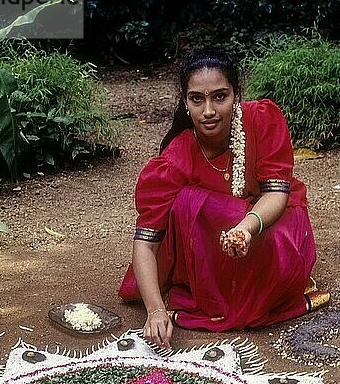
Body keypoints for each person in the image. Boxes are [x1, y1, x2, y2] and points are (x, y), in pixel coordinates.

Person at [119, 48, 329, 348]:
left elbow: (276, 194)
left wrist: (246, 227)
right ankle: (223, 292)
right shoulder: (174, 160)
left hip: (270, 227)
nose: (208, 111)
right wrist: (155, 310)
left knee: (265, 231)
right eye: (197, 99)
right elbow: (145, 242)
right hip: (212, 250)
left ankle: (259, 286)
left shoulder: (262, 120)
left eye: (220, 96)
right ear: (184, 101)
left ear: (236, 94)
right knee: (187, 203)